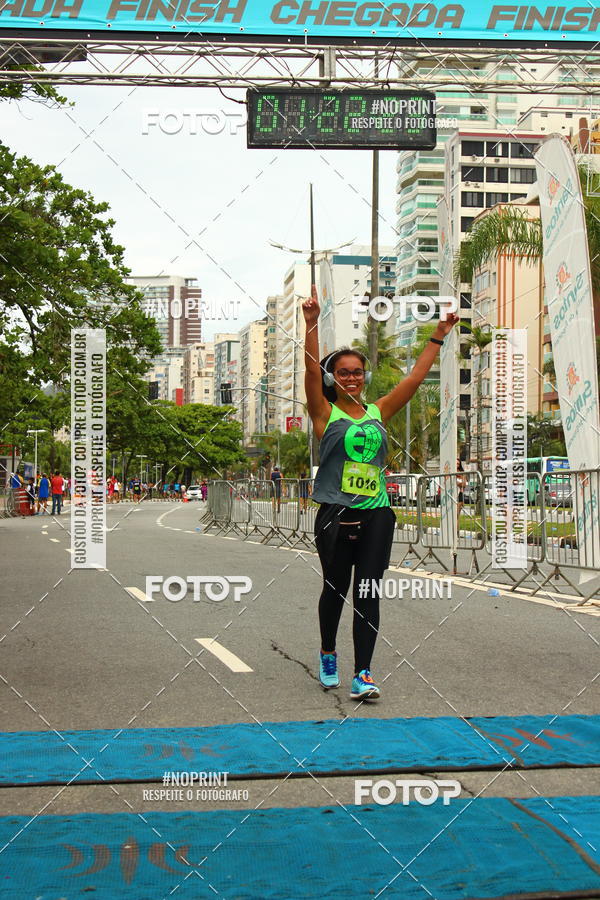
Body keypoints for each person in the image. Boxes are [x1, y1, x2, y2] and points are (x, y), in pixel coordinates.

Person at [302, 289, 458, 700]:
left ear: (365, 377)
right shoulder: (324, 412)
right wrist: (311, 322)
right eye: (343, 372)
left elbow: (414, 377)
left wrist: (438, 335)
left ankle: (364, 672)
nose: (351, 377)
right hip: (335, 514)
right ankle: (328, 651)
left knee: (369, 591)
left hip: (377, 515)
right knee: (335, 588)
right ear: (333, 379)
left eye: (357, 372)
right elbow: (309, 370)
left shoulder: (379, 410)